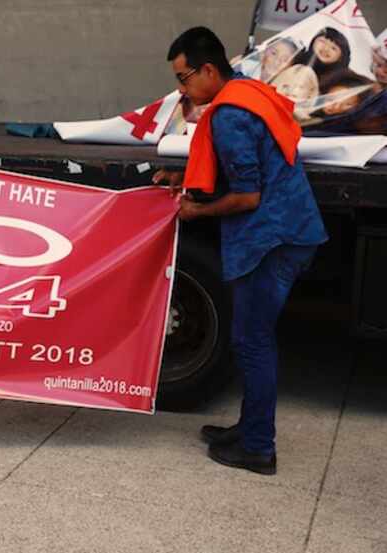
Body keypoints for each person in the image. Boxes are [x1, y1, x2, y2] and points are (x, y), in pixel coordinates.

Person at [152, 27, 328, 475]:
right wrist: (181, 181)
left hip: (272, 237)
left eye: (185, 77)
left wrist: (195, 211)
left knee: (252, 342)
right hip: (292, 228)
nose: (181, 88)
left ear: (208, 69)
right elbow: (240, 172)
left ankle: (257, 448)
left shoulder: (230, 115)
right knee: (251, 337)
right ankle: (248, 427)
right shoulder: (250, 92)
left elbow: (247, 197)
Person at [291, 27, 352, 93]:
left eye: (333, 48)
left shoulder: (342, 80)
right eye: (323, 42)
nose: (326, 49)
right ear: (313, 41)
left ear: (341, 57)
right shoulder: (294, 59)